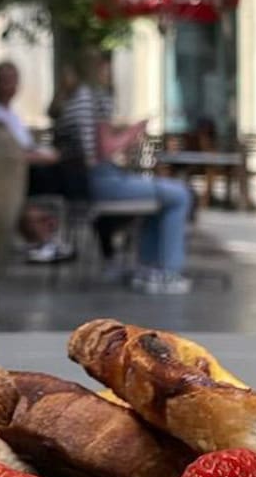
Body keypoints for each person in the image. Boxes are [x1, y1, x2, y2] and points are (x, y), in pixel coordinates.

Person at [56, 50, 195, 294]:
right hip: (100, 180)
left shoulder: (74, 100)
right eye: (106, 66)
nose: (109, 72)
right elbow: (106, 149)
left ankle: (150, 267)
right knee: (179, 194)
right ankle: (167, 272)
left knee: (162, 198)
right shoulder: (94, 100)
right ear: (98, 67)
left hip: (84, 182)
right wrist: (134, 130)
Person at [0, 61, 74, 262]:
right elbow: (11, 154)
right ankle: (46, 237)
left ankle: (47, 237)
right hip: (19, 175)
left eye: (14, 80)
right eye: (6, 80)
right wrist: (45, 157)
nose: (11, 85)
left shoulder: (12, 116)